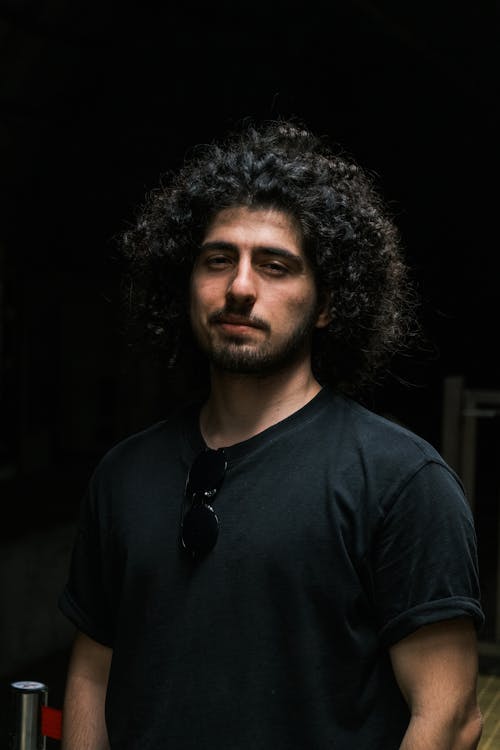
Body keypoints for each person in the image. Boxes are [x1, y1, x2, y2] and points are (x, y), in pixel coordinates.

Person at [59, 118, 484, 750]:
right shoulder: (123, 473)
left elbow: (448, 719)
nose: (239, 287)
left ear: (327, 302)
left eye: (276, 266)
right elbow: (94, 674)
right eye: (218, 259)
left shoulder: (400, 481)